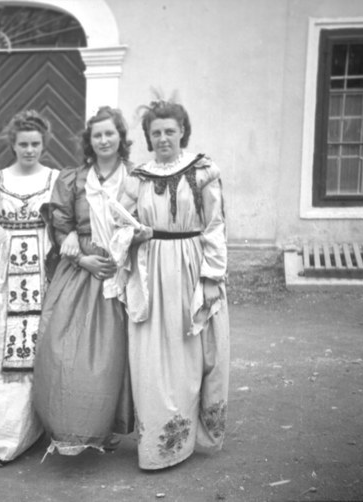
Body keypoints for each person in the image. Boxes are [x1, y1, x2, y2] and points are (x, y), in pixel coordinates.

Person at [118, 99, 230, 470]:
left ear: (182, 131)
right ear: (148, 138)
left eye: (170, 130)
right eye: (156, 132)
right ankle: (159, 446)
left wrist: (211, 278)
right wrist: (133, 236)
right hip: (151, 271)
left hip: (192, 267)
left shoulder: (203, 171)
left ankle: (191, 436)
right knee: (151, 359)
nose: (163, 138)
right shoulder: (137, 177)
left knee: (192, 354)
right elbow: (119, 225)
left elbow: (215, 226)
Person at [32, 106, 134, 457]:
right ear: (89, 141)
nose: (104, 140)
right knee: (68, 351)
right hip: (81, 271)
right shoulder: (73, 179)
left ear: (120, 137)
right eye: (97, 135)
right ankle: (71, 425)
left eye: (110, 133)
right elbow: (60, 224)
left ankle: (104, 425)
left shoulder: (135, 178)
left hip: (121, 268)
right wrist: (80, 256)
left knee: (112, 353)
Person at [0, 110, 60, 467]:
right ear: (13, 145)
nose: (29, 150)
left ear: (43, 144)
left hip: (41, 273)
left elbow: (68, 219)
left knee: (37, 348)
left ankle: (32, 429)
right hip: (4, 274)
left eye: (35, 144)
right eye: (23, 144)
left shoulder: (54, 179)